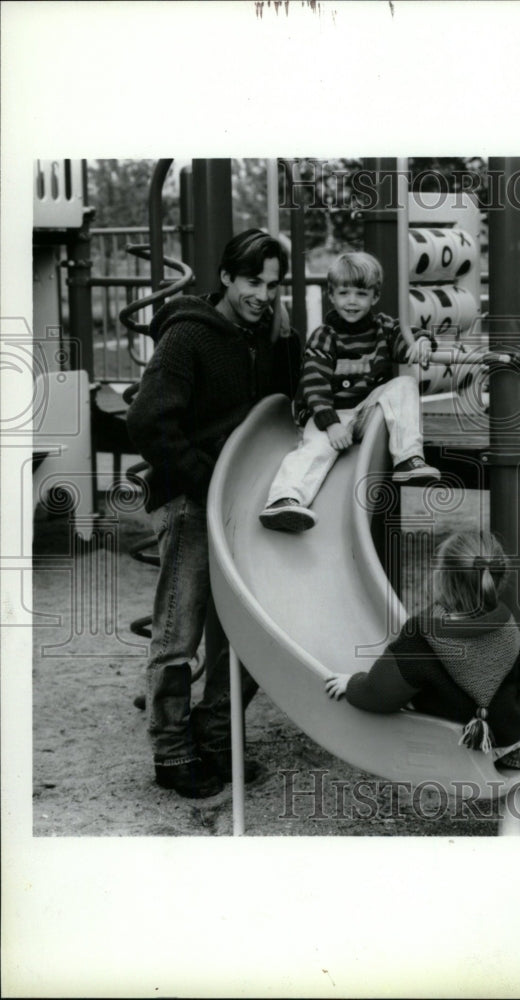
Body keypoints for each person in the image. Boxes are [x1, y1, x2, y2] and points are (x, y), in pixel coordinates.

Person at [127, 229, 301, 798]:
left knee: (251, 630)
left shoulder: (273, 340)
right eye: (253, 282)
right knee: (180, 629)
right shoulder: (188, 336)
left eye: (273, 285)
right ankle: (172, 752)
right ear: (226, 278)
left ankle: (214, 733)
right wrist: (206, 481)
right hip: (191, 498)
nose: (263, 295)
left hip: (244, 502)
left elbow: (293, 402)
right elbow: (149, 420)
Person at [325, 529, 520, 808]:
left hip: (459, 746)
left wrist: (352, 683)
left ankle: (504, 755)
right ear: (496, 580)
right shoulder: (506, 629)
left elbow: (379, 695)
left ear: (441, 578)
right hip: (512, 730)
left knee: (417, 713)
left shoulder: (421, 638)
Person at [259, 250, 441, 533]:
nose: (352, 301)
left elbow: (407, 341)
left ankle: (408, 457)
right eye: (344, 293)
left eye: (361, 293)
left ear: (375, 297)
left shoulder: (384, 329)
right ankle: (285, 498)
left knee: (404, 384)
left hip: (366, 413)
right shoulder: (325, 335)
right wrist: (330, 424)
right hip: (329, 414)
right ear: (331, 296)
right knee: (313, 451)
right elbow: (313, 381)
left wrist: (422, 344)